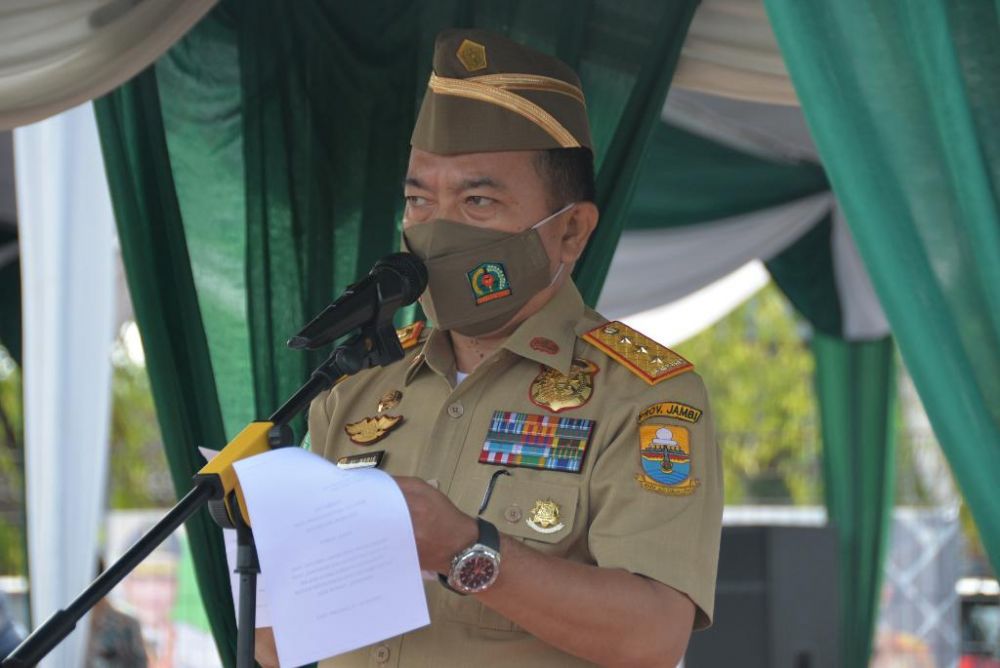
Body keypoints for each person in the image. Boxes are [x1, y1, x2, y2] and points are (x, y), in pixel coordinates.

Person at [257, 28, 722, 667]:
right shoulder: (357, 383)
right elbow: (276, 644)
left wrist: (467, 551)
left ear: (570, 231)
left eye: (477, 200)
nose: (436, 229)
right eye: (419, 200)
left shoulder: (641, 399)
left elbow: (652, 638)